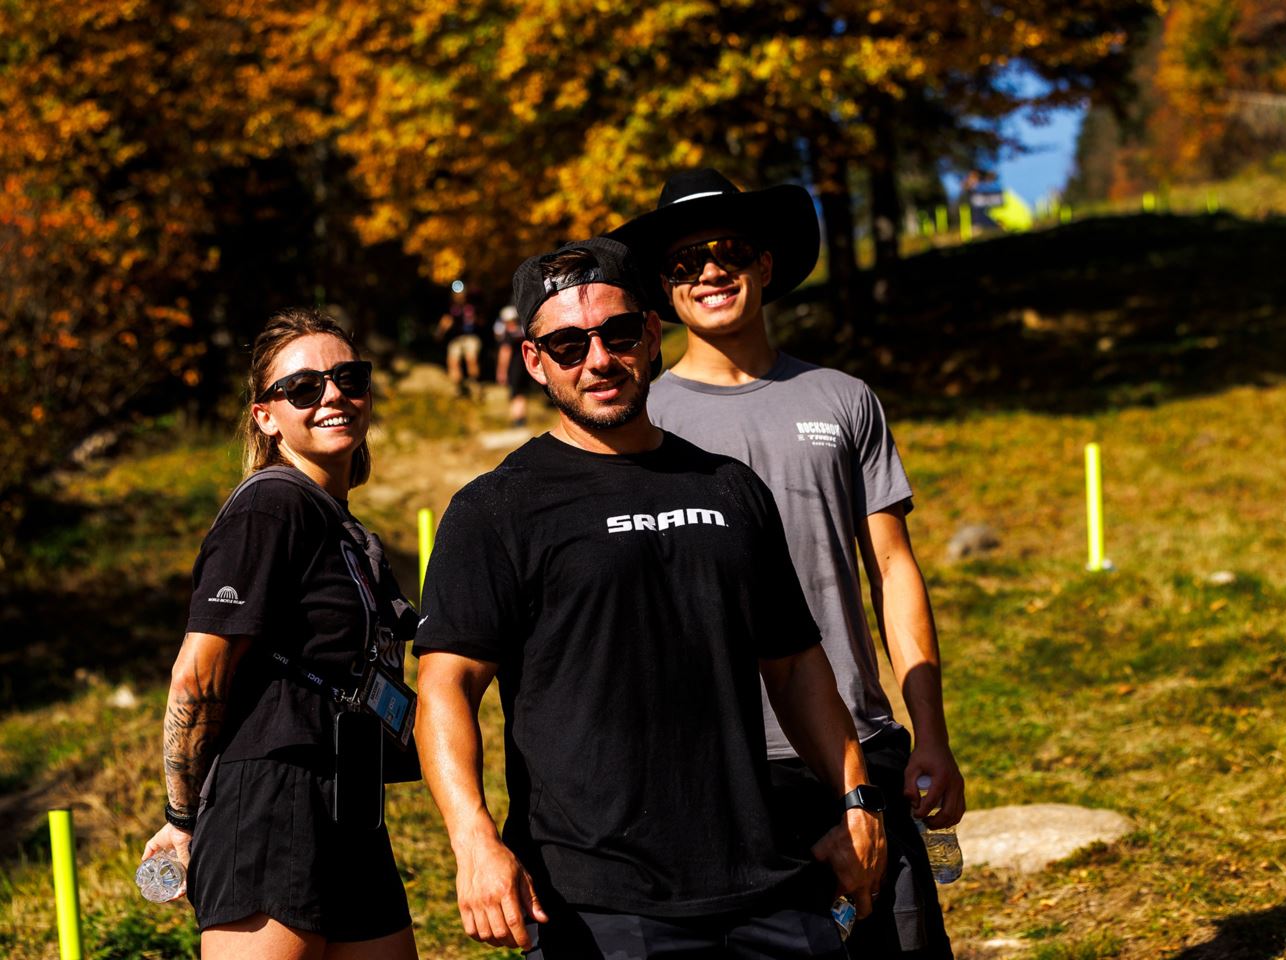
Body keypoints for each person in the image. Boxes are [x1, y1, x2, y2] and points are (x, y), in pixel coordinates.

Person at [413, 237, 887, 960]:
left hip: (765, 881)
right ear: (535, 361)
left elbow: (794, 665)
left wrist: (854, 798)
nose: (598, 360)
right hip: (597, 905)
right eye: (568, 345)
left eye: (617, 333)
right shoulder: (496, 509)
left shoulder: (729, 488)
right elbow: (445, 686)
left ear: (651, 335)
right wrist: (473, 840)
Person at [612, 168, 966, 959]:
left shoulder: (844, 400)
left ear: (765, 263)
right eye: (682, 261)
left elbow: (894, 569)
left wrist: (929, 732)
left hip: (860, 743)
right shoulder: (642, 422)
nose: (708, 270)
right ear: (663, 289)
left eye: (727, 249)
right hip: (720, 764)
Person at [142, 308, 419, 959]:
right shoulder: (270, 506)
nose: (332, 395)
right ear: (265, 415)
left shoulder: (339, 523)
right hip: (271, 799)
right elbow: (197, 674)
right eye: (303, 387)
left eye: (348, 377)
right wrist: (183, 819)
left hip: (349, 799)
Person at [436, 286, 483, 396]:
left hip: (470, 337)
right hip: (456, 339)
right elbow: (444, 324)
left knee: (471, 358)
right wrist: (441, 331)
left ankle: (474, 384)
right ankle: (457, 386)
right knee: (453, 360)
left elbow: (481, 323)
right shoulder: (450, 309)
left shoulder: (472, 307)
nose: (459, 296)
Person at [492, 303, 530, 426]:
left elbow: (505, 353)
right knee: (521, 393)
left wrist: (501, 371)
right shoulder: (522, 333)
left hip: (513, 369)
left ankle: (517, 419)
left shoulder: (508, 335)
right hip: (525, 368)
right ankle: (521, 418)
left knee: (514, 394)